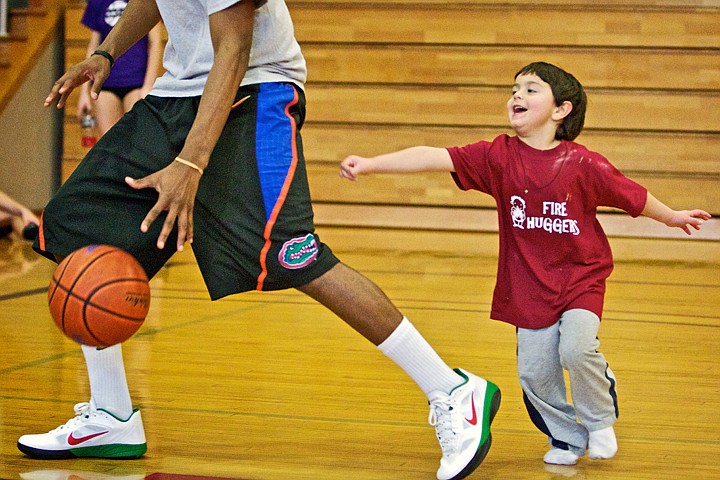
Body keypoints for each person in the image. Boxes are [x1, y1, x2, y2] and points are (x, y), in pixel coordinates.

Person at [18, 2, 501, 479]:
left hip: (253, 91)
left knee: (289, 254)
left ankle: (453, 390)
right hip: (175, 94)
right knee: (77, 225)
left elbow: (234, 43)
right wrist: (106, 53)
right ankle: (110, 417)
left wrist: (190, 163)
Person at [339, 61, 711, 467]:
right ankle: (567, 438)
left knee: (576, 348)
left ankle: (600, 418)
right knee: (536, 373)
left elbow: (634, 197)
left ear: (560, 110)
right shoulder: (497, 157)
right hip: (528, 286)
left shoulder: (584, 164)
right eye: (514, 88)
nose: (517, 95)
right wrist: (373, 164)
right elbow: (435, 156)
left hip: (581, 279)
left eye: (531, 89)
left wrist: (673, 216)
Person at [76, 0, 163, 137]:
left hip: (136, 81)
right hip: (105, 83)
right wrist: (84, 93)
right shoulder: (98, 2)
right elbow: (94, 47)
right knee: (110, 141)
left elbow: (155, 43)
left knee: (137, 140)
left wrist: (148, 85)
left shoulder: (144, 1)